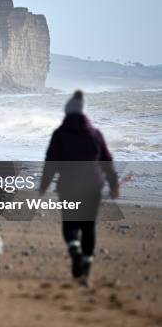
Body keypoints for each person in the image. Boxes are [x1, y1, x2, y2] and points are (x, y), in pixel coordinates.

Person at [39, 90, 119, 287]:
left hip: (69, 186)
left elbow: (51, 162)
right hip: (93, 186)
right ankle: (87, 266)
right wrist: (114, 184)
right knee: (88, 226)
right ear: (85, 113)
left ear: (67, 111)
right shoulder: (95, 134)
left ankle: (75, 251)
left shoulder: (59, 134)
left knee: (70, 223)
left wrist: (43, 186)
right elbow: (107, 161)